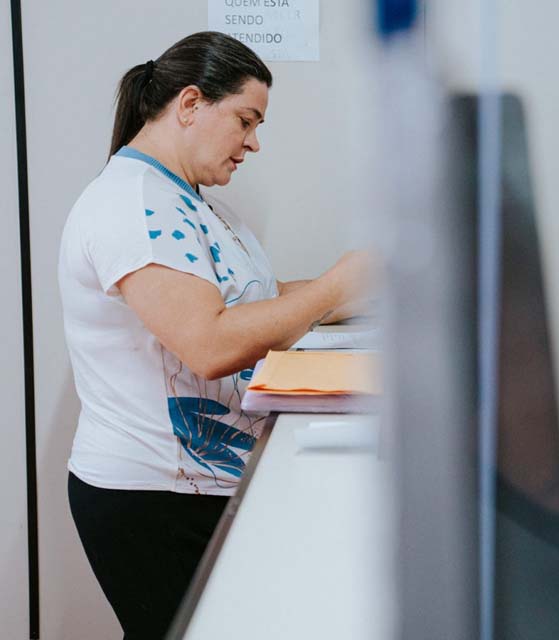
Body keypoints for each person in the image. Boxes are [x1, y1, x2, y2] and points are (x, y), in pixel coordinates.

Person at [59, 32, 371, 639]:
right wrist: (335, 288)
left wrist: (360, 295)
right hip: (156, 496)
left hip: (199, 485)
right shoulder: (133, 206)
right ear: (191, 103)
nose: (254, 142)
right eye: (246, 120)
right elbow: (209, 344)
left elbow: (257, 300)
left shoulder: (187, 201)